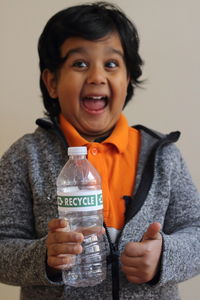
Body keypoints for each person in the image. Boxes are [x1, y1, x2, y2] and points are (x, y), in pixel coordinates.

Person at [0, 2, 200, 300]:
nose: (96, 76)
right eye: (80, 63)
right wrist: (44, 256)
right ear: (52, 82)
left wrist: (164, 257)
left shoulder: (163, 155)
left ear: (127, 78)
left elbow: (195, 230)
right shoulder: (25, 156)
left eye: (111, 64)